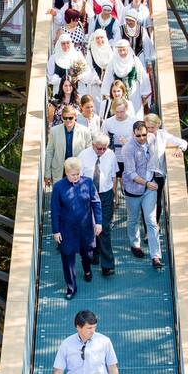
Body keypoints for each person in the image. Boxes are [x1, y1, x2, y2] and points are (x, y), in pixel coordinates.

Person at [50, 158, 103, 299]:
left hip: (86, 228)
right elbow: (55, 210)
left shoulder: (88, 182)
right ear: (66, 172)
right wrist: (56, 230)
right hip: (66, 229)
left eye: (78, 174)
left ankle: (87, 269)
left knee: (88, 254)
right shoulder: (58, 187)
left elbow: (96, 202)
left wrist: (98, 222)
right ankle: (71, 287)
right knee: (67, 258)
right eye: (73, 174)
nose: (76, 177)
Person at [122, 120, 162, 268]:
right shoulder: (128, 148)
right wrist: (146, 183)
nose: (142, 138)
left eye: (144, 134)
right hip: (134, 188)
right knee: (133, 219)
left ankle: (156, 256)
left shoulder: (151, 138)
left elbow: (166, 138)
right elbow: (131, 173)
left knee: (151, 221)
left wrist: (179, 147)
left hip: (149, 188)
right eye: (138, 136)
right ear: (133, 134)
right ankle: (135, 244)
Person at [77, 135, 118, 277]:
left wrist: (114, 195)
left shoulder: (111, 155)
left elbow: (113, 176)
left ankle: (107, 265)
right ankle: (95, 252)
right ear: (93, 145)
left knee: (104, 227)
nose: (101, 151)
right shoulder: (83, 155)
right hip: (88, 195)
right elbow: (78, 178)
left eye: (104, 148)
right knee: (90, 226)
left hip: (105, 195)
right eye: (99, 148)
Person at [45, 105, 92, 186]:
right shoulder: (54, 131)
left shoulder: (85, 131)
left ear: (75, 117)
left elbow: (89, 154)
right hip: (59, 172)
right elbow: (49, 152)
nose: (68, 120)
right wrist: (47, 174)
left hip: (77, 173)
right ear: (62, 117)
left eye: (70, 118)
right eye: (65, 118)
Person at [143, 112, 187, 197]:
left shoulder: (163, 134)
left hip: (159, 173)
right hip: (145, 173)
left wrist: (179, 149)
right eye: (147, 127)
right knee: (146, 197)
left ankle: (158, 209)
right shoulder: (142, 136)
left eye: (152, 127)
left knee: (158, 197)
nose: (150, 130)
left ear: (158, 125)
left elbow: (183, 142)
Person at [102, 40, 147, 117]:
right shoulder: (112, 62)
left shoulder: (135, 60)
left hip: (133, 92)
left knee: (135, 114)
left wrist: (144, 93)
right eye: (120, 50)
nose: (122, 52)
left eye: (124, 50)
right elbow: (108, 78)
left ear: (128, 49)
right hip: (118, 93)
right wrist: (106, 93)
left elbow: (142, 76)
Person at [103, 98, 136, 173]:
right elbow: (103, 139)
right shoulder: (108, 122)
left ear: (127, 108)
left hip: (130, 158)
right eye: (117, 112)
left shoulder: (134, 121)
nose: (119, 115)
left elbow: (140, 141)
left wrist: (128, 143)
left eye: (122, 112)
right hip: (113, 158)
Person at [83, 30, 111, 109]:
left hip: (108, 83)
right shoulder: (91, 50)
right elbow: (89, 66)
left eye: (102, 38)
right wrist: (98, 80)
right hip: (95, 83)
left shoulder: (109, 49)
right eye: (97, 38)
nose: (100, 40)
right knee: (97, 105)